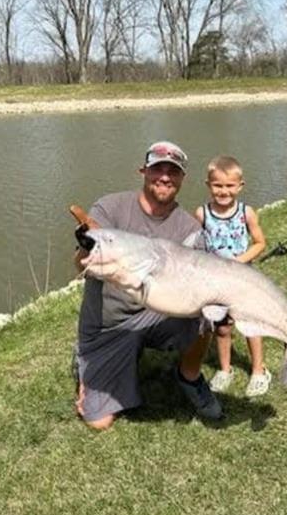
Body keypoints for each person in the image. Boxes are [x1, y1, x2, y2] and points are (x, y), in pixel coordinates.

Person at [74, 140, 223, 430]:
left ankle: (190, 376)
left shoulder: (190, 230)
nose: (165, 176)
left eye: (173, 171)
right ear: (143, 171)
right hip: (109, 327)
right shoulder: (110, 207)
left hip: (158, 311)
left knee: (208, 310)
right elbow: (81, 265)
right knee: (99, 422)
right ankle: (84, 359)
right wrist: (85, 247)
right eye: (158, 169)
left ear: (182, 179)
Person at [194, 155, 270, 397]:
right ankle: (225, 369)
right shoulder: (201, 214)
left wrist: (240, 261)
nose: (223, 191)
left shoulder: (246, 213)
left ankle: (259, 370)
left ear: (240, 186)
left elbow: (260, 243)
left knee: (250, 325)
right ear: (208, 185)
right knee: (223, 327)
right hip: (217, 284)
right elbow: (195, 247)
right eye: (217, 185)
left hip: (243, 280)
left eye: (229, 186)